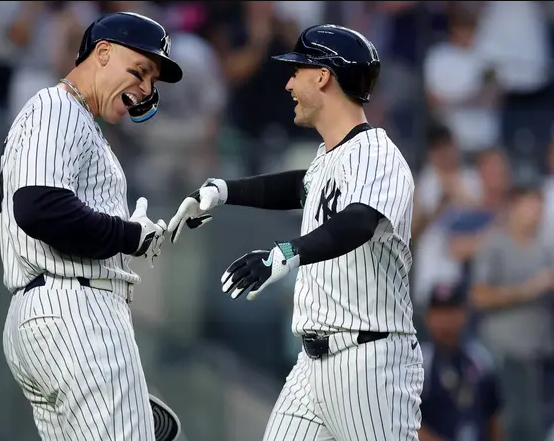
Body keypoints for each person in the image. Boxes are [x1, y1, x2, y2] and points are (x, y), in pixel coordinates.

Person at [168, 24, 423, 440]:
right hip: (311, 365)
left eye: (296, 71)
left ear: (322, 76)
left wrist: (284, 253)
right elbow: (296, 186)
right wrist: (222, 190)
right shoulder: (331, 156)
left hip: (370, 362)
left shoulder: (378, 153)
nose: (288, 84)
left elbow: (358, 222)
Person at [0, 12, 182, 441]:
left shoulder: (72, 118)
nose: (146, 88)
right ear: (102, 53)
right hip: (75, 311)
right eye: (139, 71)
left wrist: (127, 232)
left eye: (152, 80)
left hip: (46, 313)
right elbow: (39, 207)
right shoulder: (59, 107)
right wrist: (129, 236)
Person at [420, 283, 504, 441]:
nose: (445, 320)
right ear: (428, 317)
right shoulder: (419, 363)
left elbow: (493, 418)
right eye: (439, 313)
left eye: (451, 312)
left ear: (464, 314)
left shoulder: (480, 360)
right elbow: (408, 422)